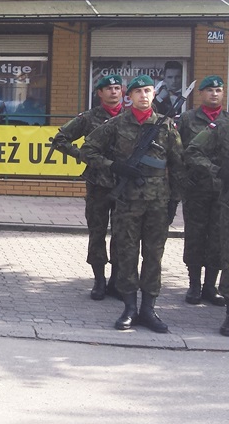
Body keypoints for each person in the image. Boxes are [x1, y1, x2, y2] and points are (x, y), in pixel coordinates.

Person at [82, 75, 185, 333]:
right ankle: (129, 308)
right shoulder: (117, 124)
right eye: (138, 91)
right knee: (126, 254)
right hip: (127, 201)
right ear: (131, 96)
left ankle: (148, 309)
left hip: (158, 203)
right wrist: (114, 165)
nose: (143, 96)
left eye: (147, 91)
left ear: (153, 94)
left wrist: (174, 200)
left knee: (153, 255)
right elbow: (88, 150)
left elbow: (178, 165)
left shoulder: (167, 126)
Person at [52, 74, 125, 300]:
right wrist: (83, 155)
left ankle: (117, 281)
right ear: (99, 93)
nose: (113, 92)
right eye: (108, 88)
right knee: (97, 233)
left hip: (126, 185)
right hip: (98, 185)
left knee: (123, 235)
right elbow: (60, 139)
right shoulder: (90, 117)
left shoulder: (131, 117)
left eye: (116, 88)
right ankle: (99, 281)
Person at [183, 91, 229, 337]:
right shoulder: (219, 126)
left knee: (218, 245)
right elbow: (188, 150)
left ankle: (210, 287)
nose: (214, 93)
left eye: (218, 89)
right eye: (210, 89)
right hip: (204, 192)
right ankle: (195, 286)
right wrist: (215, 170)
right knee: (199, 237)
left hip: (220, 197)